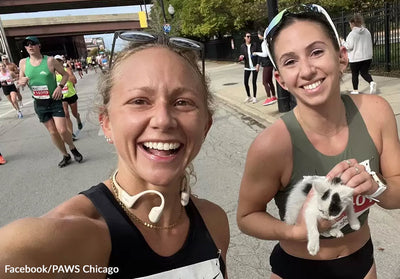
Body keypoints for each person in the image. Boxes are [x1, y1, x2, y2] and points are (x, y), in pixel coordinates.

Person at [0, 32, 229, 279]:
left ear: (205, 126)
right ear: (106, 123)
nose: (163, 120)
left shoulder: (213, 221)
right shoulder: (62, 241)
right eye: (139, 101)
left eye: (183, 102)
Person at [236, 4, 400, 279]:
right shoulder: (271, 145)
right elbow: (247, 217)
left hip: (361, 263)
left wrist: (375, 186)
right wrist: (296, 230)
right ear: (280, 79)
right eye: (290, 61)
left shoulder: (376, 113)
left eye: (316, 52)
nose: (307, 70)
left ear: (342, 57)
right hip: (299, 268)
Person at [18, 36, 83, 167]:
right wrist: (21, 81)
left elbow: (65, 75)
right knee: (53, 132)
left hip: (54, 100)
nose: (30, 47)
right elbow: (21, 80)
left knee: (62, 130)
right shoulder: (23, 63)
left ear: (39, 46)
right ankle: (65, 155)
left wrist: (60, 87)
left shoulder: (50, 61)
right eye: (27, 45)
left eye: (33, 44)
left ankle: (72, 147)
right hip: (40, 102)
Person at [343, 14, 377, 95]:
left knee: (355, 74)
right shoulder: (367, 31)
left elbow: (349, 46)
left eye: (350, 24)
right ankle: (371, 82)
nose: (350, 26)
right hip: (367, 57)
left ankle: (355, 90)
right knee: (364, 72)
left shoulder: (352, 34)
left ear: (352, 23)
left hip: (356, 58)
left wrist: (342, 42)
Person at [54, 55, 83, 140]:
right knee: (66, 114)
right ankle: (71, 133)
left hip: (71, 94)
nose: (58, 63)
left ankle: (78, 117)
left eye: (59, 61)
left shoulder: (67, 70)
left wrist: (66, 76)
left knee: (74, 113)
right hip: (62, 96)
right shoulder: (52, 72)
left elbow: (74, 81)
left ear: (62, 62)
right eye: (56, 61)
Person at [253, 28, 277, 106]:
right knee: (270, 81)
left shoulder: (263, 43)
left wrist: (256, 53)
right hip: (270, 63)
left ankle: (269, 97)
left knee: (265, 82)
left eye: (258, 34)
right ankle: (273, 96)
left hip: (266, 64)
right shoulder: (268, 41)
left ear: (260, 35)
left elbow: (265, 54)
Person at [239, 32, 260, 104]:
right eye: (248, 36)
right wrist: (241, 58)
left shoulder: (254, 45)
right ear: (244, 38)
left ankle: (254, 97)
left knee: (253, 82)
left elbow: (258, 55)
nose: (249, 38)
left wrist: (258, 64)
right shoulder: (242, 46)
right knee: (245, 82)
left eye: (250, 36)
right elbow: (242, 56)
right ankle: (249, 96)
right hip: (247, 66)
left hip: (254, 66)